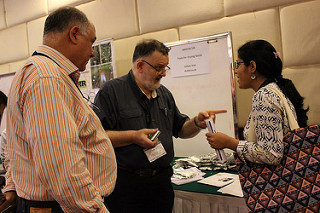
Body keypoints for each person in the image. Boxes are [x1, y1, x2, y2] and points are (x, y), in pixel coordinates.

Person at [3, 7, 117, 212]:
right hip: (63, 206)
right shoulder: (47, 77)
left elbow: (16, 146)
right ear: (74, 34)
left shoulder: (38, 72)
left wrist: (11, 184)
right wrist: (94, 209)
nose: (92, 51)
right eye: (91, 42)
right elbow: (61, 165)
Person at [93, 39, 226, 213]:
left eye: (166, 68)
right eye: (159, 68)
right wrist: (133, 137)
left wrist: (196, 123)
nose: (163, 73)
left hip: (161, 184)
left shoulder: (164, 94)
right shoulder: (111, 92)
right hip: (126, 186)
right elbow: (96, 137)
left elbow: (180, 129)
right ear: (140, 65)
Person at [206, 40, 308, 165]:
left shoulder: (263, 96)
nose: (235, 71)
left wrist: (229, 143)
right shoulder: (276, 90)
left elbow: (271, 155)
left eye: (238, 64)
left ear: (252, 67)